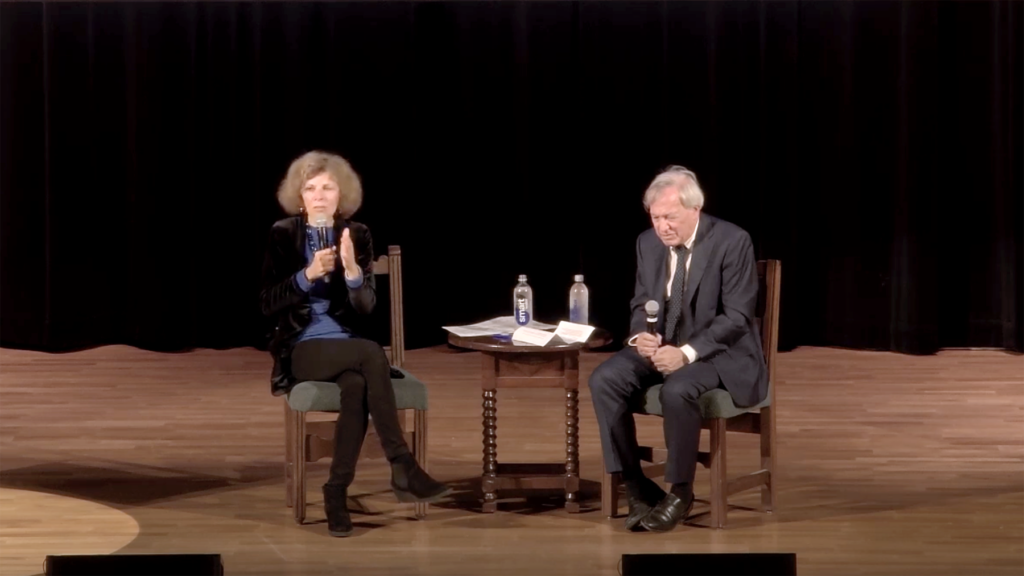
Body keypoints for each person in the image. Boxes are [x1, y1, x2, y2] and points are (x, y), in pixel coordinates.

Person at [260, 151, 450, 537]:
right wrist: (307, 275)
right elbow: (266, 304)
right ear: (300, 196)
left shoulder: (357, 234)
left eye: (327, 187)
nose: (319, 195)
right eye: (310, 188)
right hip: (302, 348)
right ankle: (402, 464)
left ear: (340, 194)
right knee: (368, 353)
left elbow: (366, 309)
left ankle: (335, 492)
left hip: (347, 345)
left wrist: (350, 271)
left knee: (358, 384)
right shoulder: (283, 233)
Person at [588, 165, 768, 533]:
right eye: (655, 218)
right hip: (662, 344)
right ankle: (635, 483)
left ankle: (680, 491)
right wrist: (641, 336)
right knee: (604, 378)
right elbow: (641, 302)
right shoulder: (647, 242)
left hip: (720, 353)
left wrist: (685, 353)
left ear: (694, 210)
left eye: (670, 217)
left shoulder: (732, 241)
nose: (662, 227)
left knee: (678, 388)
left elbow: (736, 317)